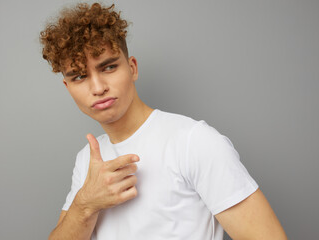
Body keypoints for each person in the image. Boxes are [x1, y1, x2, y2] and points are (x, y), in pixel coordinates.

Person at [40, 2, 287, 240]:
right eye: (80, 76)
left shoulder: (193, 141)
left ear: (132, 68)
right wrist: (86, 204)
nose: (97, 87)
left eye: (108, 67)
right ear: (67, 86)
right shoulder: (87, 160)